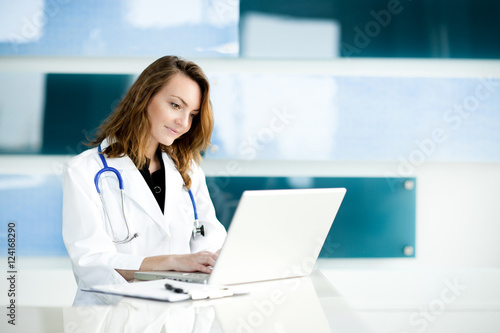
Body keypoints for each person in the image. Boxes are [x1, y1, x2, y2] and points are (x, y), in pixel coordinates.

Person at [62, 56, 227, 305]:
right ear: (144, 96)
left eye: (192, 114)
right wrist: (172, 262)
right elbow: (90, 261)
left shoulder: (188, 170)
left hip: (179, 315)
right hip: (113, 317)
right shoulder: (84, 171)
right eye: (175, 105)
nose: (183, 123)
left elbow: (211, 243)